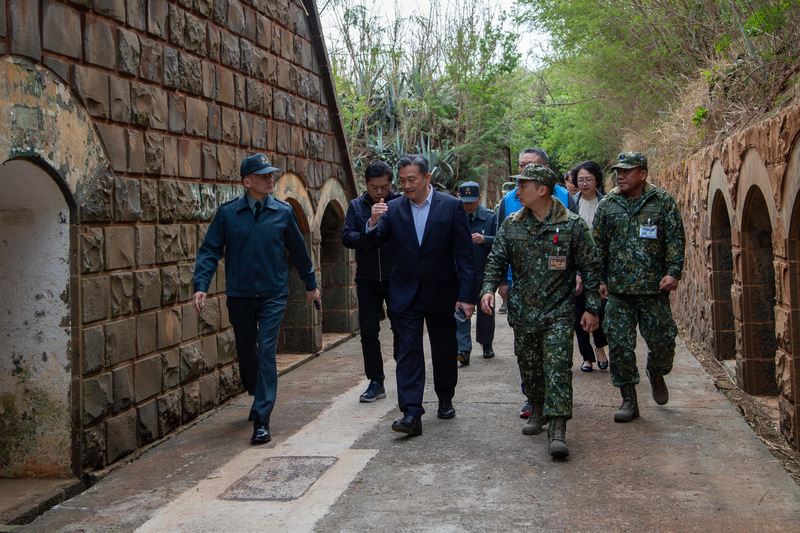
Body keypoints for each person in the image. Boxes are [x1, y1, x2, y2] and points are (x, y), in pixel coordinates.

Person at [193, 154, 322, 445]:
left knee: (266, 351)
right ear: (247, 182)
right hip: (240, 295)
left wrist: (311, 285)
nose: (270, 179)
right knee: (246, 352)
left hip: (273, 294)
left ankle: (262, 419)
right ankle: (257, 393)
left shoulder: (283, 212)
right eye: (263, 175)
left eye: (271, 174)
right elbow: (210, 250)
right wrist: (201, 285)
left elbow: (299, 252)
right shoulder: (228, 214)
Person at [481, 164, 600, 458]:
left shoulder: (572, 225)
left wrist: (592, 309)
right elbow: (496, 260)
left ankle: (558, 427)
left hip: (559, 312)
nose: (517, 192)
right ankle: (537, 408)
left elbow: (590, 268)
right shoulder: (512, 224)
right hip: (523, 312)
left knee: (557, 369)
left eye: (523, 186)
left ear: (542, 190)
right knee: (530, 367)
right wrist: (488, 289)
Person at [362, 154, 475, 436]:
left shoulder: (451, 206)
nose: (406, 185)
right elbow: (376, 242)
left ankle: (445, 396)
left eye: (411, 179)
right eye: (402, 181)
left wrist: (467, 296)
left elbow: (465, 255)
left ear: (427, 177)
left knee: (444, 348)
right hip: (405, 292)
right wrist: (373, 223)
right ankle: (411, 412)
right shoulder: (394, 208)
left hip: (442, 290)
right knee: (408, 351)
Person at [592, 152, 686, 423]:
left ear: (642, 174)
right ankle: (629, 400)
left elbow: (675, 239)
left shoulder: (662, 202)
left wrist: (673, 272)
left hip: (654, 290)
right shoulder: (607, 205)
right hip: (619, 292)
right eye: (618, 172)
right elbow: (598, 246)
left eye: (627, 171)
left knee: (663, 342)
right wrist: (599, 280)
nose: (620, 176)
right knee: (619, 346)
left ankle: (656, 371)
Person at [495, 148, 578, 418]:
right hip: (523, 297)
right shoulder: (509, 202)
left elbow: (580, 248)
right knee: (528, 358)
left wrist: (580, 281)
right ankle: (534, 403)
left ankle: (557, 418)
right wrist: (501, 283)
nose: (522, 173)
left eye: (528, 167)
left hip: (558, 299)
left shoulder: (565, 200)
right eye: (520, 166)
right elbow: (499, 251)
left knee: (556, 361)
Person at [341, 161, 402, 402]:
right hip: (367, 278)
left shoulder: (400, 203)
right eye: (374, 187)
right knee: (368, 332)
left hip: (396, 277)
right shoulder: (356, 206)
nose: (379, 192)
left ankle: (404, 372)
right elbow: (347, 237)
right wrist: (371, 224)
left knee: (401, 328)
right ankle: (376, 381)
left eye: (384, 187)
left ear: (391, 184)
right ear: (365, 184)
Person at [570, 161, 609, 372]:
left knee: (599, 310)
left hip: (600, 266)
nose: (584, 184)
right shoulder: (571, 204)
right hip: (577, 267)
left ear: (597, 180)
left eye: (588, 179)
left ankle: (600, 348)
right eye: (580, 180)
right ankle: (587, 357)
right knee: (579, 312)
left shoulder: (606, 203)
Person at [455, 181, 497, 365]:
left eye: (472, 201)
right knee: (461, 309)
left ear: (480, 198)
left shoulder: (490, 217)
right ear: (458, 198)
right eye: (465, 202)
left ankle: (486, 344)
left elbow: (501, 242)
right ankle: (463, 349)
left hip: (483, 271)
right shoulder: (455, 216)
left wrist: (484, 239)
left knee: (486, 309)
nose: (468, 206)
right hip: (462, 273)